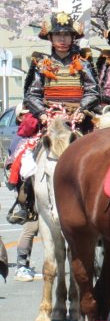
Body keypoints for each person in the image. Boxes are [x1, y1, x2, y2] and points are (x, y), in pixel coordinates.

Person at [8, 11, 100, 225]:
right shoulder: (42, 64)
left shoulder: (83, 63)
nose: (62, 39)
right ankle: (26, 201)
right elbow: (31, 94)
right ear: (49, 38)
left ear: (73, 37)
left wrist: (83, 109)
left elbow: (93, 91)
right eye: (57, 35)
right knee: (24, 154)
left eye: (66, 35)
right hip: (49, 120)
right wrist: (41, 114)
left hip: (79, 119)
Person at [5, 104, 39, 281]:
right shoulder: (21, 138)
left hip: (30, 185)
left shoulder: (36, 135)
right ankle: (21, 266)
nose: (30, 117)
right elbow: (15, 166)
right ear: (20, 118)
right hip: (28, 187)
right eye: (25, 114)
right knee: (32, 225)